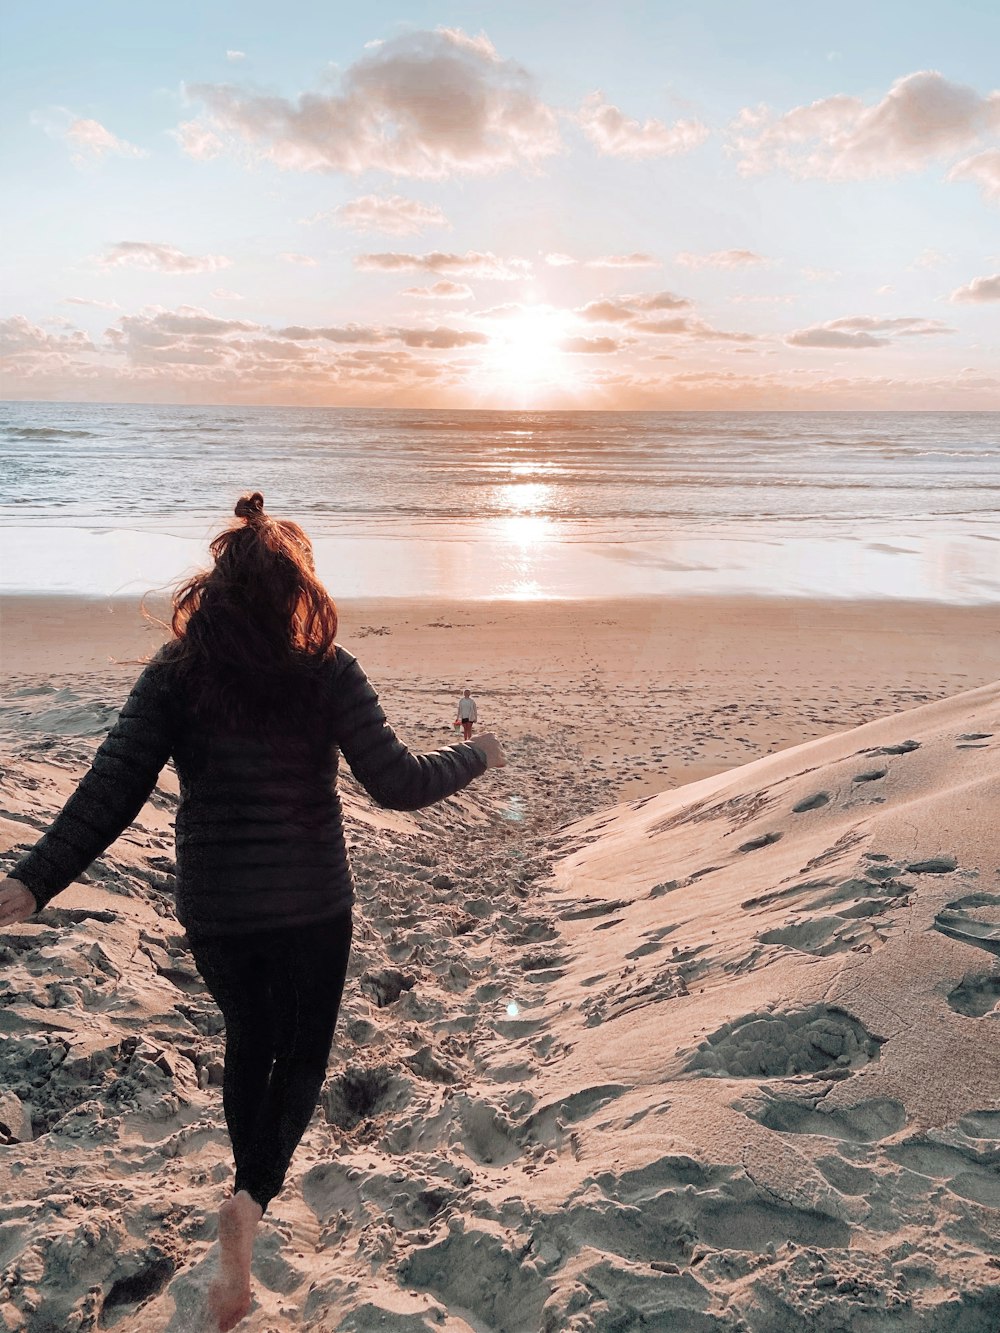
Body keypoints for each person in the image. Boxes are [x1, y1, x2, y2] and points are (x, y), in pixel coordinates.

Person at [0, 492, 506, 1333]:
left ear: (216, 586)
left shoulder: (174, 674)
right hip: (311, 903)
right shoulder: (328, 670)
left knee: (250, 1039)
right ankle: (250, 1199)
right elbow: (399, 782)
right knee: (299, 1058)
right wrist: (478, 753)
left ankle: (245, 1191)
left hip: (219, 911)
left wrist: (35, 880)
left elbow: (110, 789)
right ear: (297, 592)